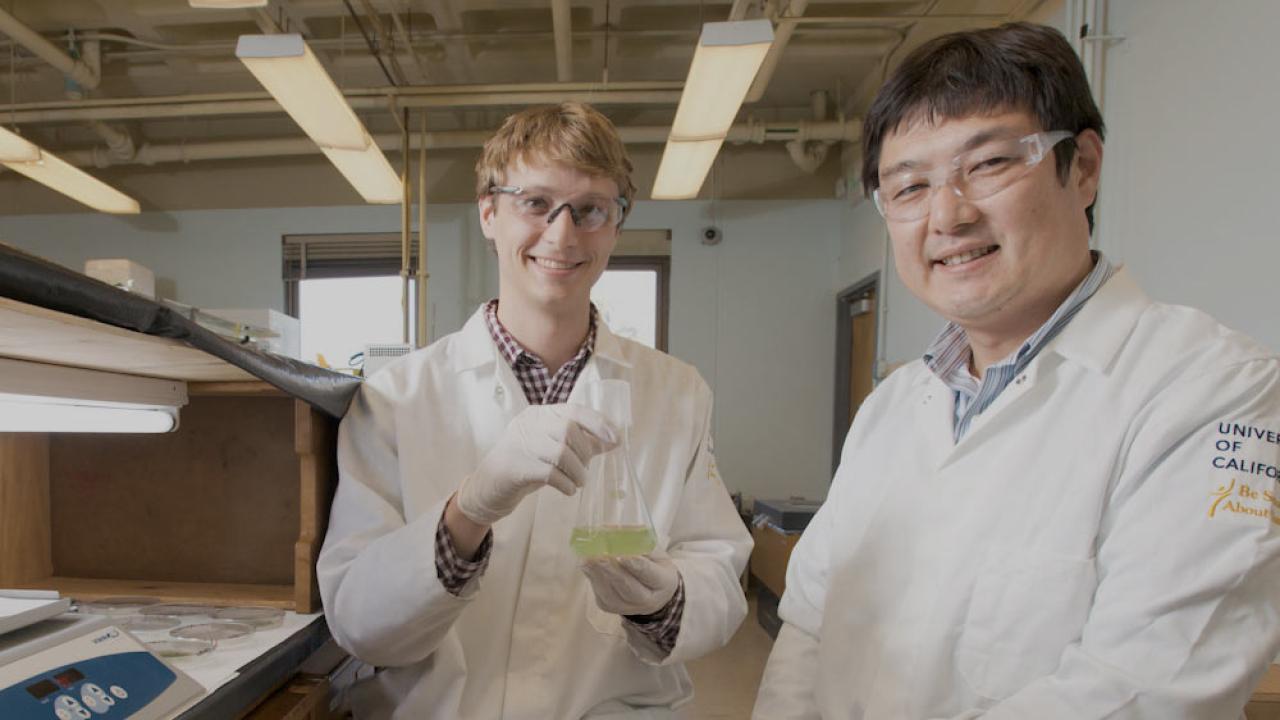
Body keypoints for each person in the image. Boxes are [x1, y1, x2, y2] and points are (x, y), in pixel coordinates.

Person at [753, 21, 1280, 719]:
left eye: (990, 163)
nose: (947, 214)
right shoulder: (894, 405)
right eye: (907, 188)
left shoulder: (1215, 392)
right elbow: (811, 628)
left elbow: (1146, 692)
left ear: (1084, 167)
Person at [317, 102, 751, 719]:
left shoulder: (677, 394)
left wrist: (667, 600)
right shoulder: (396, 398)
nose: (563, 233)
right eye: (535, 203)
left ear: (616, 225)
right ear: (489, 212)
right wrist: (466, 513)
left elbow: (718, 571)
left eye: (591, 209)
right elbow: (358, 622)